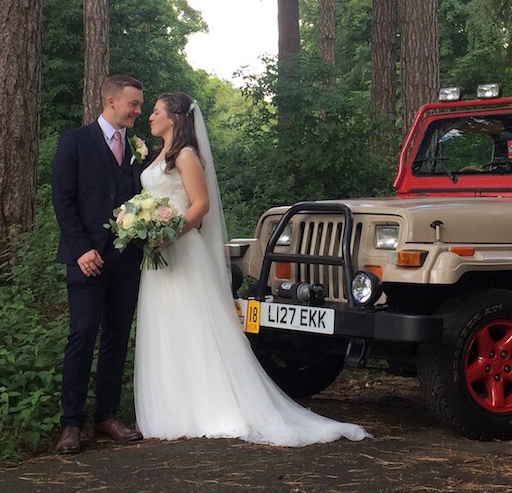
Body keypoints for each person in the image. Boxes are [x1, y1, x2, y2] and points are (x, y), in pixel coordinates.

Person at [134, 92, 369, 445]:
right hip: (159, 254)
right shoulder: (157, 157)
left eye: (155, 111)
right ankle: (171, 405)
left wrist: (170, 234)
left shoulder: (185, 156)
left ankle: (209, 405)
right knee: (165, 325)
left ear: (174, 117)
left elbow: (201, 205)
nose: (150, 116)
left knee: (192, 325)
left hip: (181, 249)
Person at [51, 75, 148, 454]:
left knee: (116, 337)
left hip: (126, 260)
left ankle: (106, 417)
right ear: (111, 102)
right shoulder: (74, 141)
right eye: (133, 104)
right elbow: (63, 199)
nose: (138, 111)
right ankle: (70, 424)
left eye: (140, 106)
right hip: (86, 259)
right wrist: (81, 249)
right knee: (82, 335)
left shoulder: (137, 148)